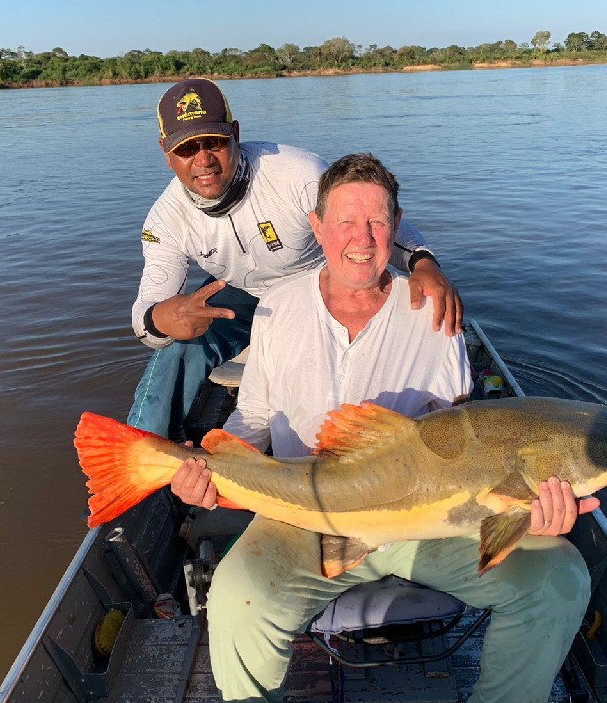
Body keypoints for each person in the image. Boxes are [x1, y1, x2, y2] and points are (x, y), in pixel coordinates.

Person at [170, 153, 597, 703]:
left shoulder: (437, 314)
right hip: (306, 515)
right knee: (236, 595)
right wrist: (211, 466)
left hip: (428, 518)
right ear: (316, 227)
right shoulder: (277, 309)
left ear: (397, 228)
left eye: (376, 222)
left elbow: (467, 437)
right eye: (345, 221)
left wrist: (531, 510)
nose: (361, 238)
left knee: (560, 579)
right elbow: (254, 419)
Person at [128, 78, 462, 439]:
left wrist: (424, 263)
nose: (204, 160)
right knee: (174, 350)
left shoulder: (297, 173)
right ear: (166, 152)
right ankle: (142, 462)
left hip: (317, 284)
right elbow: (145, 313)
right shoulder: (164, 221)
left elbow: (369, 219)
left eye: (215, 142)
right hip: (237, 296)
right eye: (187, 149)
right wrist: (162, 319)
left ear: (235, 135)